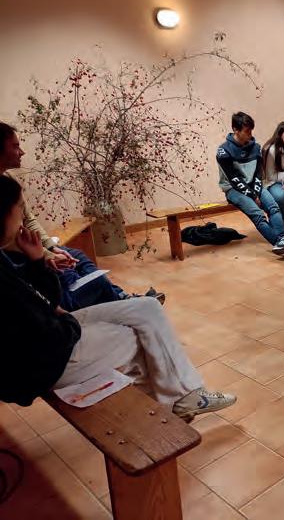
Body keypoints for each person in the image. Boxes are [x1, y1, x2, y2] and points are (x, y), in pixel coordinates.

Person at [0, 175, 236, 421]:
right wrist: (65, 318)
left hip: (51, 335)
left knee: (148, 308)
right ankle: (177, 402)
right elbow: (50, 332)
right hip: (45, 364)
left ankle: (177, 402)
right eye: (19, 209)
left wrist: (38, 261)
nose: (24, 218)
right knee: (141, 337)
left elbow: (47, 301)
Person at [0, 122, 163, 310]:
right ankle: (124, 302)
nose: (22, 152)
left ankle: (121, 297)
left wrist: (51, 247)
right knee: (77, 274)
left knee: (76, 256)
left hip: (32, 251)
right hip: (23, 257)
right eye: (15, 146)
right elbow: (12, 240)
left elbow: (29, 220)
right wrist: (46, 255)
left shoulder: (9, 180)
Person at [216, 112, 284, 257]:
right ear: (235, 130)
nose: (250, 134)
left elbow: (258, 174)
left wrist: (256, 191)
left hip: (254, 186)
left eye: (251, 130)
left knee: (273, 207)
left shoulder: (256, 148)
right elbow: (234, 179)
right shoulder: (223, 151)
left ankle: (283, 239)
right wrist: (253, 196)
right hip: (234, 189)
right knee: (258, 214)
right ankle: (279, 242)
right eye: (247, 131)